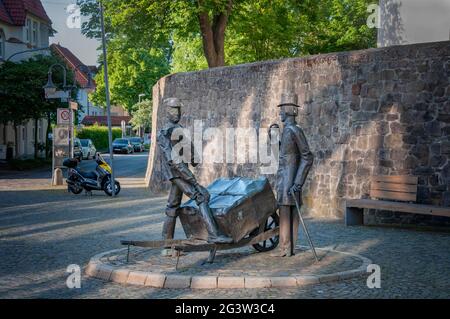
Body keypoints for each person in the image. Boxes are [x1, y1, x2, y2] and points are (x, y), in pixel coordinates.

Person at [157, 98, 232, 252]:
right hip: (178, 174)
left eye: (178, 110)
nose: (176, 113)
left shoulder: (178, 129)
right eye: (172, 110)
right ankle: (214, 234)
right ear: (167, 112)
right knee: (201, 196)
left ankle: (166, 245)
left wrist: (193, 157)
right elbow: (174, 162)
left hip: (178, 173)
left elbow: (188, 148)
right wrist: (194, 182)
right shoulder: (165, 132)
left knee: (172, 206)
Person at [271, 93, 314, 257]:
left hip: (291, 179)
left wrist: (298, 182)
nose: (280, 113)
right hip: (284, 178)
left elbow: (307, 156)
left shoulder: (295, 130)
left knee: (289, 212)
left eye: (281, 109)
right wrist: (274, 140)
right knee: (285, 212)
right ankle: (285, 248)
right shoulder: (287, 131)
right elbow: (282, 154)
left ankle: (287, 247)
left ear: (288, 110)